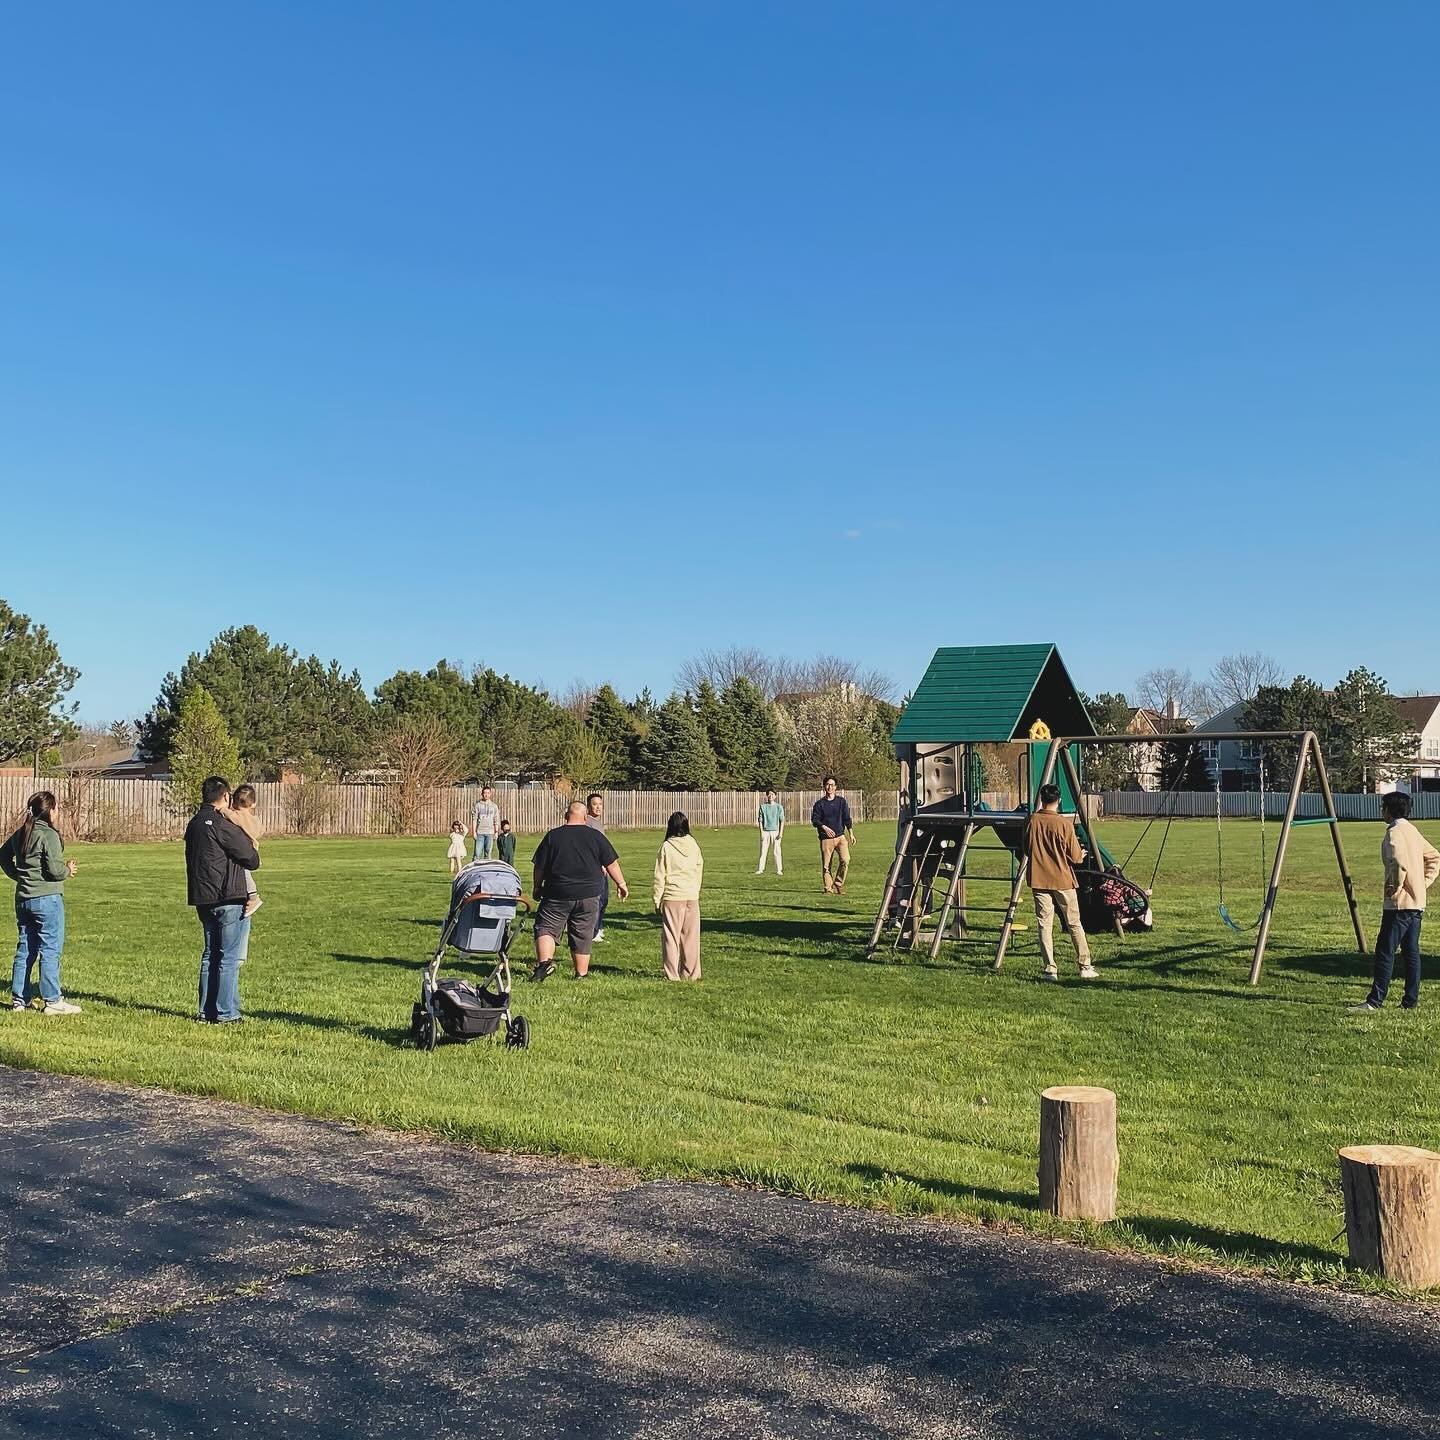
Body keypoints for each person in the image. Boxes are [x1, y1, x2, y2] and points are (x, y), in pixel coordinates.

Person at [1352, 791, 1440, 1013]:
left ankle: (1374, 1001)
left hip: (1399, 904)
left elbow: (1397, 862)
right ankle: (1410, 1001)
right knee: (1411, 952)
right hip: (1417, 903)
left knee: (1385, 951)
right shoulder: (1412, 830)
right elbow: (1434, 857)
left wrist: (1395, 885)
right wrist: (1422, 883)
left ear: (1388, 810)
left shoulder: (1394, 832)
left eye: (1383, 808)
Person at [185, 776, 261, 1024]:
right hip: (228, 896)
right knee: (228, 957)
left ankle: (206, 1011)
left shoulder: (194, 824)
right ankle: (226, 1013)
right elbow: (251, 859)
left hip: (202, 897)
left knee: (210, 955)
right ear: (226, 796)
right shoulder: (221, 824)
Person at [530, 801, 628, 981]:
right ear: (585, 817)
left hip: (557, 892)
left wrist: (537, 887)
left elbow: (539, 867)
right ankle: (581, 973)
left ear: (566, 816)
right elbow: (611, 863)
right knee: (583, 933)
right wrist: (621, 883)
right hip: (589, 894)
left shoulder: (553, 836)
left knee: (546, 928)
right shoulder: (596, 836)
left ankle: (544, 963)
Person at [2, 791, 80, 1015]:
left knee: (25, 948)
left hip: (24, 899)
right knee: (50, 949)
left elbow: (2, 856)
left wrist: (19, 876)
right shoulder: (48, 835)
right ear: (50, 810)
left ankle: (19, 1000)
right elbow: (55, 871)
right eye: (56, 808)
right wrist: (68, 869)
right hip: (47, 899)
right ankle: (53, 1001)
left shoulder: (22, 833)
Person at [1024, 784, 1097, 981]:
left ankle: (1050, 968)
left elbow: (1026, 848)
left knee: (1044, 925)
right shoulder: (1063, 824)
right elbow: (1075, 857)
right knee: (1073, 922)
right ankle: (1084, 965)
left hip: (1039, 879)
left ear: (1041, 799)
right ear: (1059, 800)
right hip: (1063, 879)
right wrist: (1080, 854)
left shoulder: (1032, 820)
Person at [654, 811, 704, 981]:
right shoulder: (694, 844)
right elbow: (699, 869)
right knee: (691, 937)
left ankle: (672, 974)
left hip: (672, 896)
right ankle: (691, 973)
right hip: (691, 895)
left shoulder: (666, 847)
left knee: (671, 937)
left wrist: (656, 899)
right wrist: (695, 889)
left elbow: (660, 875)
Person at [810, 776, 856, 894]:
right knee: (826, 865)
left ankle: (838, 883)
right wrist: (824, 827)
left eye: (832, 785)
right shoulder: (819, 804)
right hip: (826, 839)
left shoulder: (841, 802)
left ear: (836, 787)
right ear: (824, 786)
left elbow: (847, 818)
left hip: (840, 837)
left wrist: (851, 833)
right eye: (828, 784)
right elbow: (815, 820)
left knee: (845, 860)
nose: (830, 787)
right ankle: (828, 888)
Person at [229, 784, 265, 918]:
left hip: (243, 849)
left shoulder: (237, 815)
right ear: (253, 804)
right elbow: (260, 831)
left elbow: (231, 817)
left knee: (244, 872)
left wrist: (222, 810)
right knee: (245, 871)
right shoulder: (254, 819)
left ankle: (253, 896)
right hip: (252, 848)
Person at [586, 792, 610, 940]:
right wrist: (601, 863)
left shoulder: (597, 823)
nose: (598, 807)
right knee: (598, 900)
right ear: (588, 806)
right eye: (595, 804)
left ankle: (598, 927)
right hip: (596, 868)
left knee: (604, 899)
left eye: (600, 804)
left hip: (603, 866)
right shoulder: (588, 823)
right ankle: (592, 931)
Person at [756, 789, 785, 875]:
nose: (770, 796)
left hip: (775, 831)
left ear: (775, 796)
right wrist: (761, 832)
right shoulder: (763, 807)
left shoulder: (779, 807)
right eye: (769, 794)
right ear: (767, 796)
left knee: (777, 851)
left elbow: (782, 821)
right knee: (763, 851)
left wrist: (781, 833)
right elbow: (760, 820)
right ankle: (761, 869)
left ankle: (779, 870)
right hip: (765, 831)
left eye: (772, 794)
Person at [472, 786, 500, 861]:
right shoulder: (478, 805)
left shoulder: (494, 806)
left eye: (488, 793)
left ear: (490, 794)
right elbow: (474, 819)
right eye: (485, 793)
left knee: (488, 853)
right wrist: (474, 832)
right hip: (480, 832)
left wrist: (496, 832)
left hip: (490, 833)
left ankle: (486, 870)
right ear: (482, 794)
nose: (486, 795)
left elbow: (496, 820)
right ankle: (474, 870)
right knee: (477, 853)